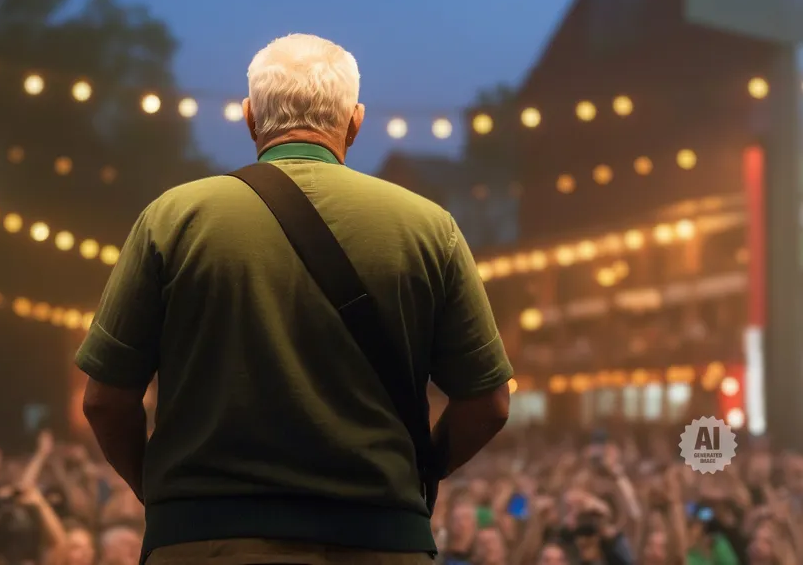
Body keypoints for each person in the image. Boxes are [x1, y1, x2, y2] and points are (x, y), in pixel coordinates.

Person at [76, 33, 513, 565]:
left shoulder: (173, 218)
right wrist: (423, 467)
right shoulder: (429, 228)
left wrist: (169, 498)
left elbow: (104, 400)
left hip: (205, 542)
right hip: (381, 544)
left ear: (249, 117)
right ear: (355, 120)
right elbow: (488, 404)